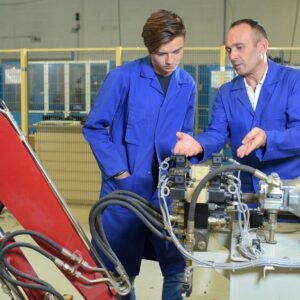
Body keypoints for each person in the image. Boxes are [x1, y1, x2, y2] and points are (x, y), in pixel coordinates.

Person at [83, 9, 196, 300]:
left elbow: (185, 136)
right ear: (149, 49)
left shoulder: (188, 85)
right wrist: (120, 173)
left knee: (175, 270)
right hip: (125, 193)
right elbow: (95, 127)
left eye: (177, 51)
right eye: (162, 53)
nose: (170, 61)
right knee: (120, 273)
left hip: (166, 196)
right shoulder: (123, 78)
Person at [174, 18, 300, 193]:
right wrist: (198, 145)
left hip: (287, 191)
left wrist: (267, 138)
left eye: (239, 47)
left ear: (262, 46)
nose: (232, 56)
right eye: (229, 49)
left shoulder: (293, 82)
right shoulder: (226, 93)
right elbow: (216, 133)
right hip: (244, 196)